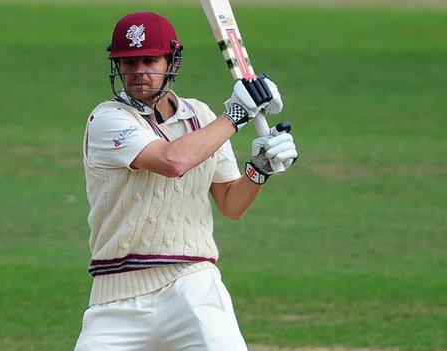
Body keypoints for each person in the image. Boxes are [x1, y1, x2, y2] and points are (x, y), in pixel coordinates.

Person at [74, 11, 298, 351]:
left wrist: (258, 169)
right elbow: (173, 161)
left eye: (149, 61)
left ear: (172, 62)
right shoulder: (107, 118)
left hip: (191, 286)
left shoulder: (202, 118)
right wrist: (237, 115)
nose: (138, 73)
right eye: (128, 62)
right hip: (115, 298)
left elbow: (231, 204)